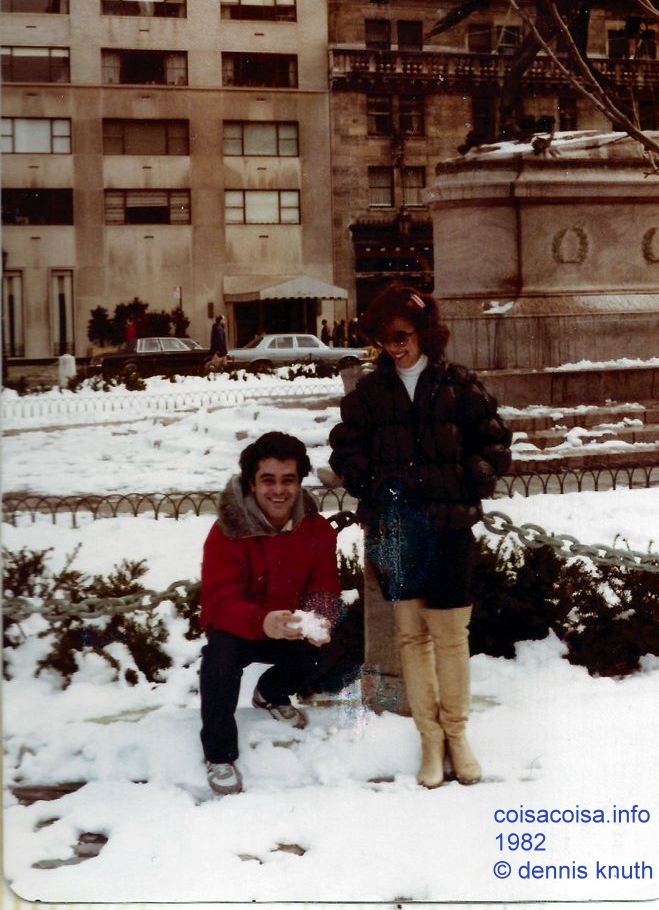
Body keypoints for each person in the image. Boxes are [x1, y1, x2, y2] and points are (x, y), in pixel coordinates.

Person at [328, 283, 511, 789]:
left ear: (425, 333)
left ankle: (458, 736)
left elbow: (494, 444)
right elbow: (345, 450)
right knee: (411, 635)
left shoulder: (459, 385)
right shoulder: (369, 394)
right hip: (397, 531)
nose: (395, 346)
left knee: (451, 639)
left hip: (449, 528)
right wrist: (373, 486)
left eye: (403, 335)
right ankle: (430, 741)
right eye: (385, 339)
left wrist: (464, 483)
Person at [199, 431, 342, 795]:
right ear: (251, 483)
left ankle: (271, 692)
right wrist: (262, 622)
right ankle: (219, 754)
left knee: (335, 642)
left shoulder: (317, 531)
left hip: (289, 627)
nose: (279, 490)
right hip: (241, 629)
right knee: (219, 658)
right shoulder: (225, 533)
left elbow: (325, 588)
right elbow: (218, 602)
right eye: (268, 480)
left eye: (288, 480)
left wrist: (318, 619)